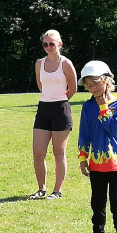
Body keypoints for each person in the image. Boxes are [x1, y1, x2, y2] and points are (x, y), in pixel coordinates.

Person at [76, 61, 117, 233]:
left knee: (116, 200)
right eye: (89, 85)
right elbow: (84, 134)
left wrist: (104, 106)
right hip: (96, 164)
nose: (93, 88)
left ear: (106, 80)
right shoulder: (87, 107)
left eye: (96, 83)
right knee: (97, 202)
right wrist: (83, 158)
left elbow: (114, 129)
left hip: (115, 162)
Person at [29, 29, 77, 200]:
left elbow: (73, 88)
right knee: (38, 152)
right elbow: (40, 85)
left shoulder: (66, 64)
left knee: (59, 152)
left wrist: (60, 100)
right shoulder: (39, 64)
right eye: (45, 44)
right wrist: (49, 97)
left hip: (61, 110)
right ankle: (41, 189)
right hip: (43, 109)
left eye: (52, 43)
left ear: (59, 44)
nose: (48, 47)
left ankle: (57, 190)